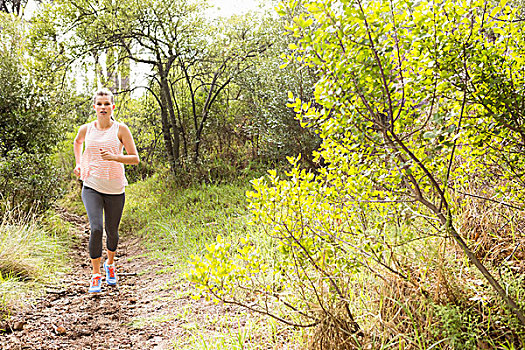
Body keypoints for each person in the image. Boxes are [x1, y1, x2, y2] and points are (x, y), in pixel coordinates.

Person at [73, 88, 139, 293]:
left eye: (106, 104)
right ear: (94, 107)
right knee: (96, 228)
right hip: (91, 185)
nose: (103, 107)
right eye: (99, 104)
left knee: (112, 231)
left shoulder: (121, 129)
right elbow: (77, 142)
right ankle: (95, 274)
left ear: (112, 106)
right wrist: (79, 164)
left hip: (115, 188)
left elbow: (135, 158)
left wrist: (115, 157)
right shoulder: (86, 129)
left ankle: (110, 264)